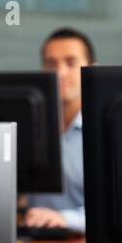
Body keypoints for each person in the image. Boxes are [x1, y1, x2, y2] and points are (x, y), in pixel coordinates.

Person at [21, 26, 94, 232]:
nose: (60, 73)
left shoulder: (104, 132)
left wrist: (65, 218)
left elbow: (114, 210)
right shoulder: (28, 129)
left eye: (71, 63)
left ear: (92, 68)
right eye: (51, 64)